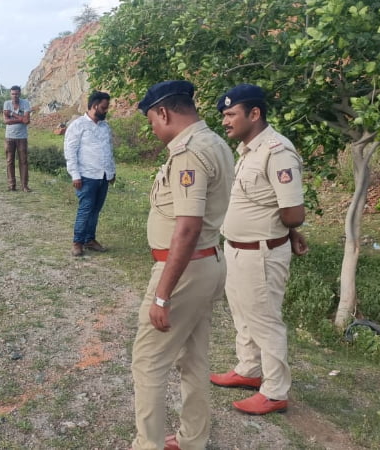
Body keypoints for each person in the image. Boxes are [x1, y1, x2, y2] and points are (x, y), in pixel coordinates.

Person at [131, 81, 234, 450]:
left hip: (184, 269)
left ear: (164, 112)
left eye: (152, 121)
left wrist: (161, 295)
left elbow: (187, 228)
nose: (153, 129)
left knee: (148, 363)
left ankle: (148, 445)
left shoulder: (190, 152)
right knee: (193, 360)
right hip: (207, 262)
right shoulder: (216, 143)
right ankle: (193, 439)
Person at [210, 84, 308, 415]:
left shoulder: (277, 151)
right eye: (223, 115)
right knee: (243, 314)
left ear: (254, 114)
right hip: (238, 249)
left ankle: (275, 390)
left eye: (230, 114)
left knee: (265, 321)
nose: (225, 121)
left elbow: (293, 210)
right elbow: (264, 199)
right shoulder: (249, 150)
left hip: (262, 253)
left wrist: (289, 229)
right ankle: (249, 370)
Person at [63, 90, 116, 257]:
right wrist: (75, 175)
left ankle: (90, 239)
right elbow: (70, 151)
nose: (106, 110)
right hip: (86, 176)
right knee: (85, 210)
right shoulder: (78, 125)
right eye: (104, 107)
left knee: (95, 210)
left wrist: (111, 171)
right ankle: (77, 242)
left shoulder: (105, 126)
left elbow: (109, 149)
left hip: (103, 176)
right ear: (94, 106)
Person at [3, 85, 32, 192]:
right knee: (10, 161)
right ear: (10, 94)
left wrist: (12, 114)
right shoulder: (6, 103)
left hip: (22, 137)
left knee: (23, 161)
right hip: (9, 137)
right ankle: (12, 185)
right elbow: (6, 121)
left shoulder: (25, 103)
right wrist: (21, 119)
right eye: (13, 94)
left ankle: (24, 185)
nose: (15, 96)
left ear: (20, 93)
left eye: (16, 93)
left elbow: (27, 121)